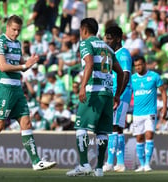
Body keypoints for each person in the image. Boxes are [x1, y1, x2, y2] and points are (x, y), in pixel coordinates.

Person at [0, 15, 56, 170]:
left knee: (26, 122)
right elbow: (3, 66)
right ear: (7, 27)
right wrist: (23, 67)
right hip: (4, 88)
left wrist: (29, 62)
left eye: (19, 30)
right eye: (14, 30)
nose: (16, 33)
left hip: (17, 88)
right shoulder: (0, 42)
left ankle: (36, 162)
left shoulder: (17, 43)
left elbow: (20, 61)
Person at [66, 18, 124, 177]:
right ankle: (99, 169)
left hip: (93, 91)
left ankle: (84, 164)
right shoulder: (107, 47)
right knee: (102, 132)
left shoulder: (86, 43)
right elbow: (120, 72)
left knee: (80, 127)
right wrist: (117, 94)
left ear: (84, 30)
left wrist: (83, 86)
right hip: (107, 93)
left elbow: (90, 64)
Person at [103, 26, 132, 172]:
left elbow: (125, 75)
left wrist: (118, 95)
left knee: (113, 126)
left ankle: (109, 162)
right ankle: (120, 163)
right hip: (116, 94)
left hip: (121, 94)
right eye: (105, 37)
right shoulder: (112, 54)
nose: (106, 41)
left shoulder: (123, 53)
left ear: (118, 39)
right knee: (118, 128)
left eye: (109, 38)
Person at [131, 56, 167, 172]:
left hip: (150, 112)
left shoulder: (154, 76)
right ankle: (141, 164)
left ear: (145, 64)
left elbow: (163, 92)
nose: (138, 67)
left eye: (140, 65)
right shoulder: (133, 79)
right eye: (136, 66)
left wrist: (165, 107)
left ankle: (147, 164)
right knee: (139, 138)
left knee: (149, 135)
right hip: (137, 113)